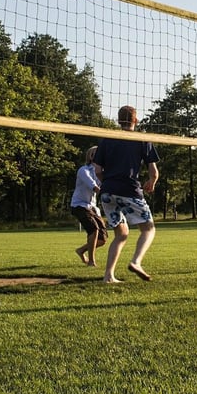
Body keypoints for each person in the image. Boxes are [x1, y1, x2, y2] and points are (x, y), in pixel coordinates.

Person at [93, 105, 160, 284]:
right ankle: (136, 262)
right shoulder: (142, 138)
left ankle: (108, 276)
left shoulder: (107, 139)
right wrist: (151, 183)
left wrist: (107, 182)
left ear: (118, 120)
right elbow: (153, 171)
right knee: (148, 228)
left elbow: (97, 170)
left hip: (107, 192)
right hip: (129, 189)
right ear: (136, 120)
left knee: (121, 234)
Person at [70, 145, 106, 267]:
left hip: (92, 207)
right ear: (91, 157)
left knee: (102, 238)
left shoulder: (100, 172)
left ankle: (81, 250)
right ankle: (91, 261)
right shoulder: (83, 171)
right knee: (94, 229)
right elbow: (95, 187)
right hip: (79, 205)